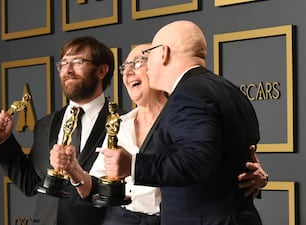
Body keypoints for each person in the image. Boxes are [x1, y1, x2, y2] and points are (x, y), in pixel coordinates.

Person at [51, 43, 268, 225]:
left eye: (137, 63)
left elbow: (203, 164)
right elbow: (98, 189)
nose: (127, 72)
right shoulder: (118, 125)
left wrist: (252, 177)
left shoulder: (187, 117)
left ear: (157, 66)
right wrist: (74, 170)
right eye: (125, 67)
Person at [102, 20, 264, 225]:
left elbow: (199, 161)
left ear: (164, 53)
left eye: (149, 55)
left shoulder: (189, 93)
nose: (148, 64)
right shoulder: (229, 89)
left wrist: (132, 165)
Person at [0, 36, 117, 225]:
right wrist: (4, 141)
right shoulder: (45, 124)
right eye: (63, 63)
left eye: (78, 62)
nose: (68, 70)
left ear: (102, 70)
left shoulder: (123, 123)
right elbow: (31, 184)